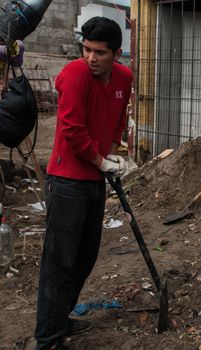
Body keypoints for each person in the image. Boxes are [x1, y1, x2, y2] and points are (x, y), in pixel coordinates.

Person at [34, 17, 132, 349]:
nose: (91, 57)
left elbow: (119, 117)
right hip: (67, 181)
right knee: (59, 260)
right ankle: (47, 338)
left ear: (116, 53)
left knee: (85, 256)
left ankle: (58, 318)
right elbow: (74, 130)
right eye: (87, 49)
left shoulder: (124, 77)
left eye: (99, 52)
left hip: (94, 180)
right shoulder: (73, 76)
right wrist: (101, 161)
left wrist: (114, 153)